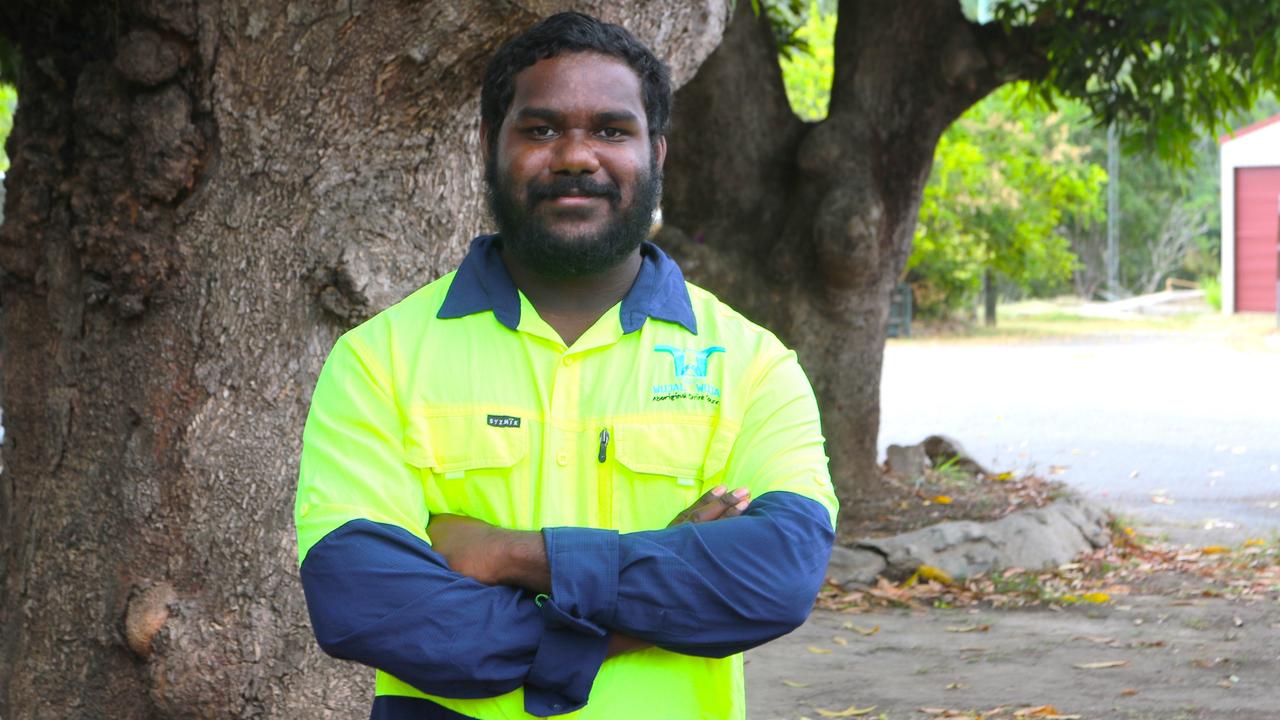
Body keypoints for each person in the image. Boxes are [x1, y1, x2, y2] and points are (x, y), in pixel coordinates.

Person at [295, 12, 837, 720]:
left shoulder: (752, 364)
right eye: (542, 129)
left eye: (612, 130)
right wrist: (651, 591)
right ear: (489, 146)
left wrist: (512, 555)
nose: (577, 156)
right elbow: (364, 604)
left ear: (658, 153)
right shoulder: (378, 360)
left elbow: (777, 576)